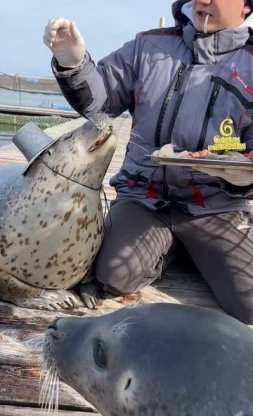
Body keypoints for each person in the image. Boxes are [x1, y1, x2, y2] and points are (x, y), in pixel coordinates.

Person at [43, 0, 253, 324]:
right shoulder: (149, 45)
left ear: (246, 6)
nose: (204, 0)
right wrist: (73, 64)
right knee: (113, 275)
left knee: (249, 302)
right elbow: (101, 104)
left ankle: (192, 247)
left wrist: (241, 174)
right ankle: (173, 248)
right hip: (144, 197)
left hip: (216, 206)